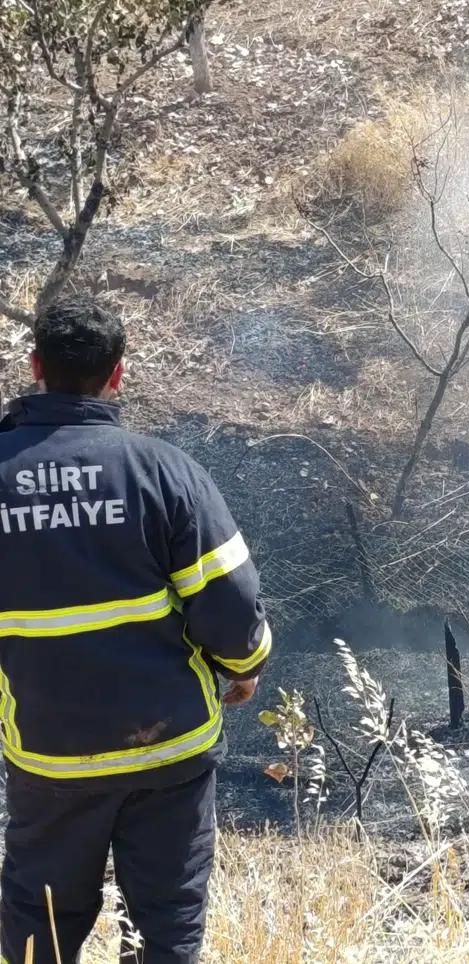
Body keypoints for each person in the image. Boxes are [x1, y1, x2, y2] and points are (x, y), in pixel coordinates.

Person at [0, 298, 271, 963]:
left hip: (48, 753)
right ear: (118, 375)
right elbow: (233, 608)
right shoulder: (165, 472)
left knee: (39, 923)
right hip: (170, 749)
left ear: (35, 367)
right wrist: (243, 667)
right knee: (166, 923)